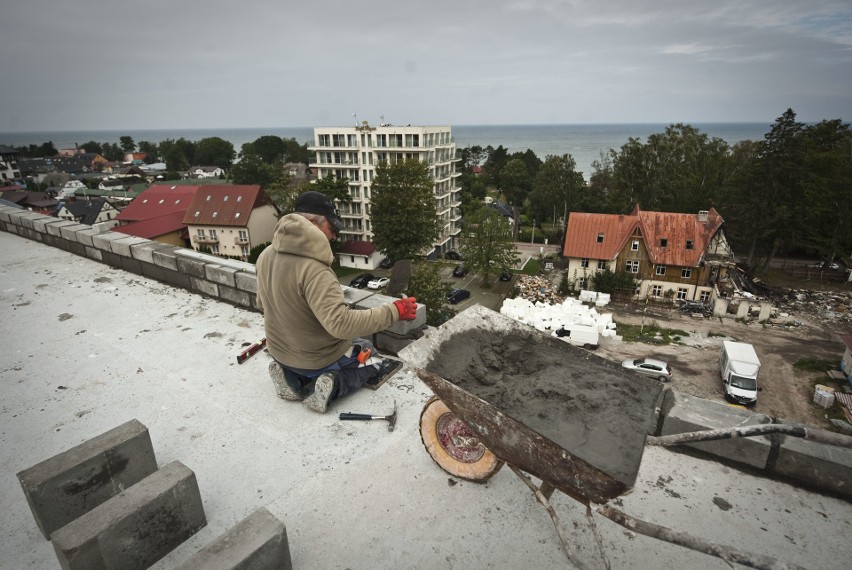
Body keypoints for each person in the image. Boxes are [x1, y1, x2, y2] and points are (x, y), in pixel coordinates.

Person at [255, 191, 418, 413]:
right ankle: (332, 384)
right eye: (332, 228)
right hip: (317, 359)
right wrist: (394, 311)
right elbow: (341, 325)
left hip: (280, 352)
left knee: (335, 351)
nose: (333, 237)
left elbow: (261, 303)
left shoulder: (265, 255)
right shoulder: (315, 270)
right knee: (371, 357)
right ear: (312, 222)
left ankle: (290, 378)